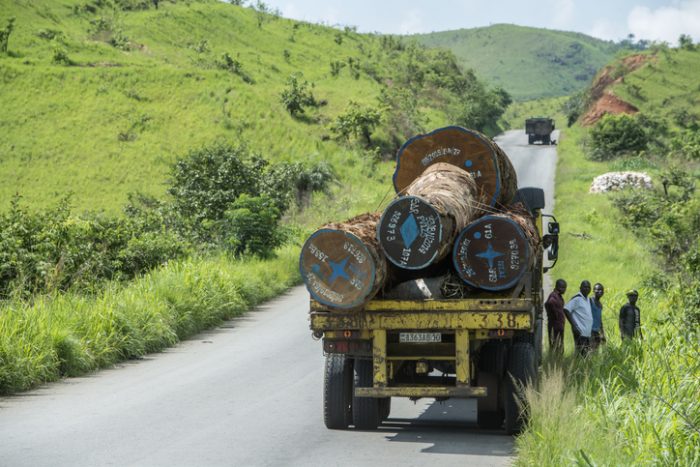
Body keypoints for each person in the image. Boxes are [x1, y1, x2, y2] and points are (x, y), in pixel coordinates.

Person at [564, 280, 593, 356]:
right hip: (580, 332)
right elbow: (566, 309)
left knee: (586, 355)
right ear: (580, 288)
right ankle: (577, 367)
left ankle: (583, 368)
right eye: (585, 287)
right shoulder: (577, 298)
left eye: (588, 287)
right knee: (581, 354)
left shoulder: (587, 299)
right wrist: (574, 325)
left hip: (587, 333)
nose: (587, 289)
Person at [544, 279, 567, 355]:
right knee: (555, 346)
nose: (565, 290)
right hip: (555, 326)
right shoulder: (553, 296)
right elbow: (549, 303)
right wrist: (556, 316)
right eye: (564, 288)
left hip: (559, 326)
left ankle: (558, 360)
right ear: (559, 287)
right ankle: (554, 361)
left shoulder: (559, 296)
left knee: (560, 346)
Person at [590, 283, 607, 350]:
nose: (600, 291)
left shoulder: (600, 304)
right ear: (593, 290)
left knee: (595, 352)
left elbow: (599, 320)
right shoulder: (590, 301)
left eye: (602, 290)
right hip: (589, 331)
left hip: (596, 331)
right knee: (590, 351)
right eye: (598, 289)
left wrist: (602, 333)